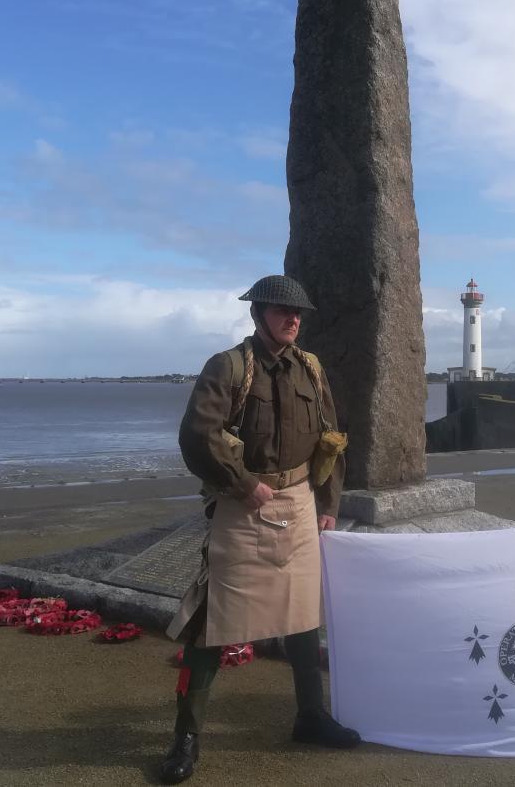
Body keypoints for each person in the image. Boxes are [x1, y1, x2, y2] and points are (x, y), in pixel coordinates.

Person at [158, 275, 360, 785]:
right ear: (259, 314)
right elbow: (197, 435)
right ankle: (186, 735)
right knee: (212, 622)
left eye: (297, 314)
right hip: (244, 505)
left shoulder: (310, 369)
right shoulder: (228, 367)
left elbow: (332, 441)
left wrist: (329, 502)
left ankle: (310, 717)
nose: (292, 320)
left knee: (302, 617)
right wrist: (242, 484)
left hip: (298, 500)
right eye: (280, 311)